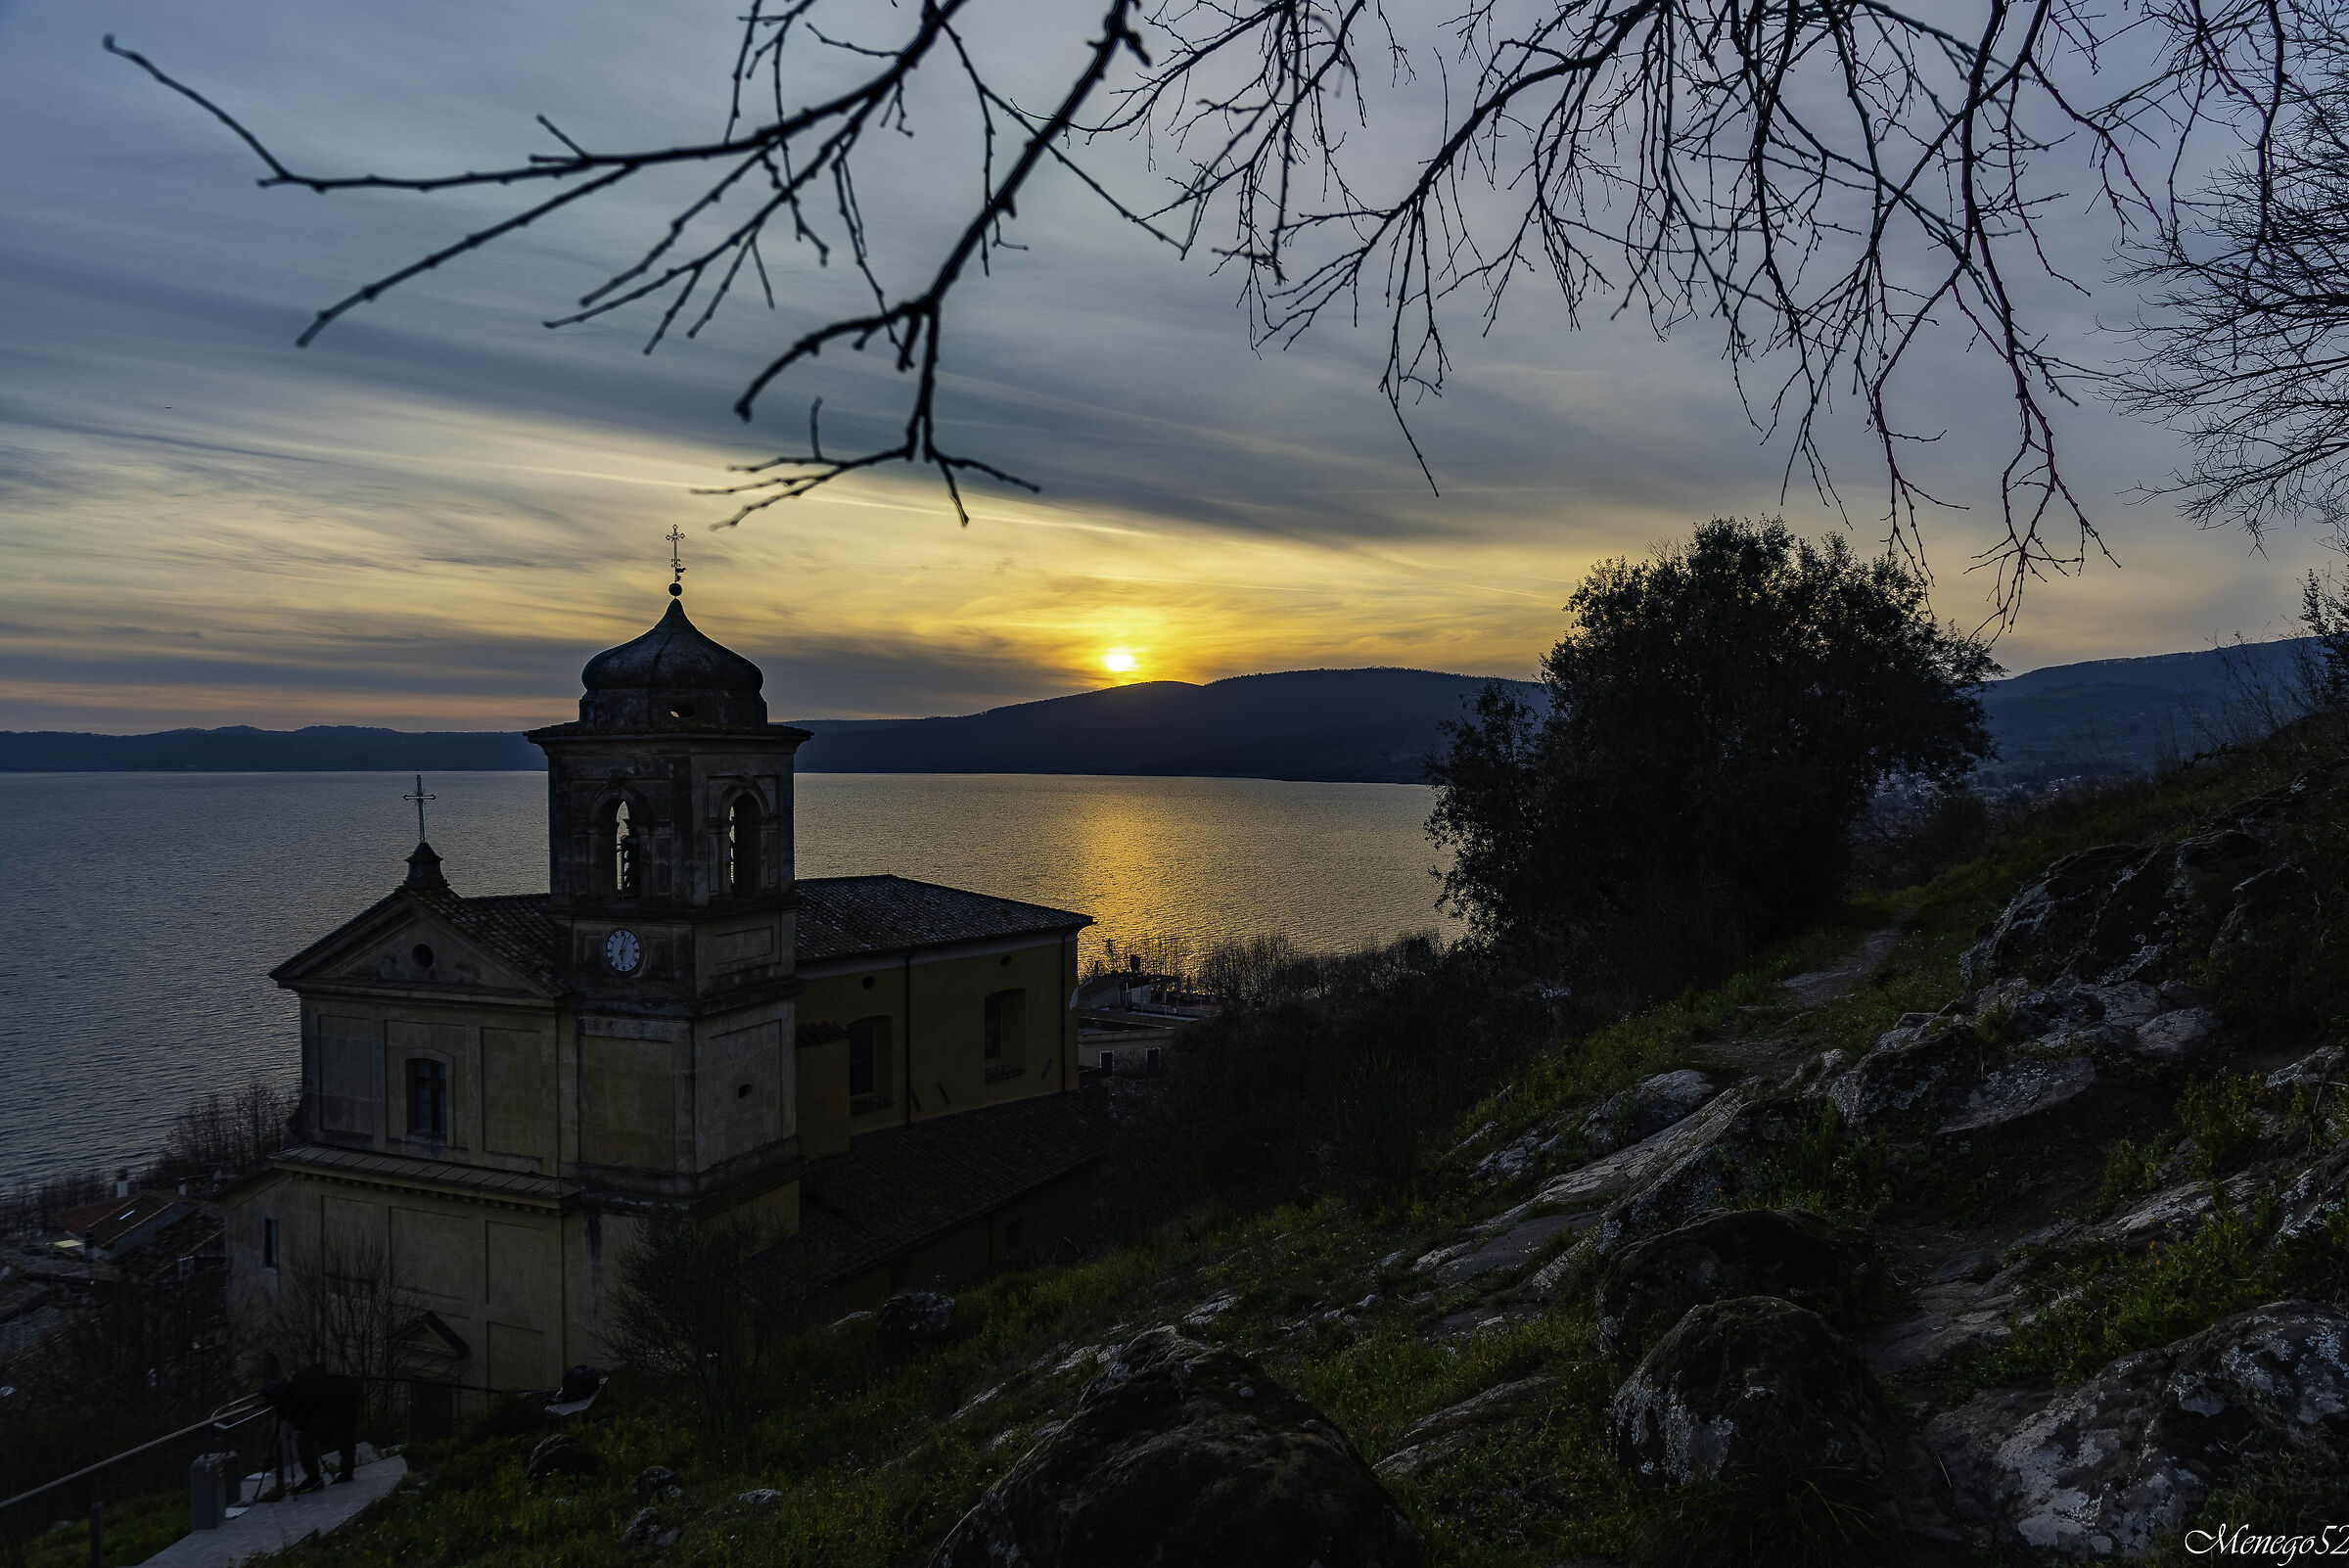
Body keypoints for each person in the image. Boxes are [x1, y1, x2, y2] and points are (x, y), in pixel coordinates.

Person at [259, 1361, 363, 1493]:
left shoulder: (299, 1395)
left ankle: (314, 1478)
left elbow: (302, 1424)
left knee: (305, 1439)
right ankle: (346, 1472)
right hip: (347, 1393)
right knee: (344, 1433)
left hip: (342, 1401)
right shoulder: (299, 1380)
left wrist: (289, 1414)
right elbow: (319, 1366)